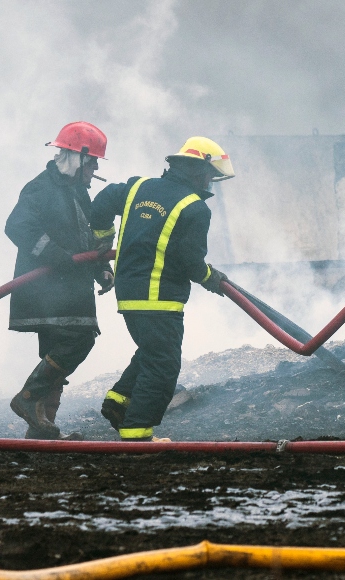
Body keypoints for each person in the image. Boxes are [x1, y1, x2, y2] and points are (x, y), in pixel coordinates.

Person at [90, 136, 233, 442]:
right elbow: (190, 261)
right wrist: (211, 278)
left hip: (128, 293)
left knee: (154, 352)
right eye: (210, 176)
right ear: (198, 171)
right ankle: (137, 434)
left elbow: (100, 203)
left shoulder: (137, 187)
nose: (210, 183)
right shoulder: (195, 209)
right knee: (163, 366)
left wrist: (104, 238)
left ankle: (118, 403)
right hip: (159, 299)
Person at [6, 121, 115, 440]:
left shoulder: (77, 193)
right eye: (92, 160)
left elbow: (85, 239)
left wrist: (102, 269)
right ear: (76, 157)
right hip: (47, 291)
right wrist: (55, 256)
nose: (95, 167)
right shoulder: (41, 188)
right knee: (78, 340)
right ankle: (27, 398)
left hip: (68, 290)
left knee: (57, 355)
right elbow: (17, 226)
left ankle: (40, 432)